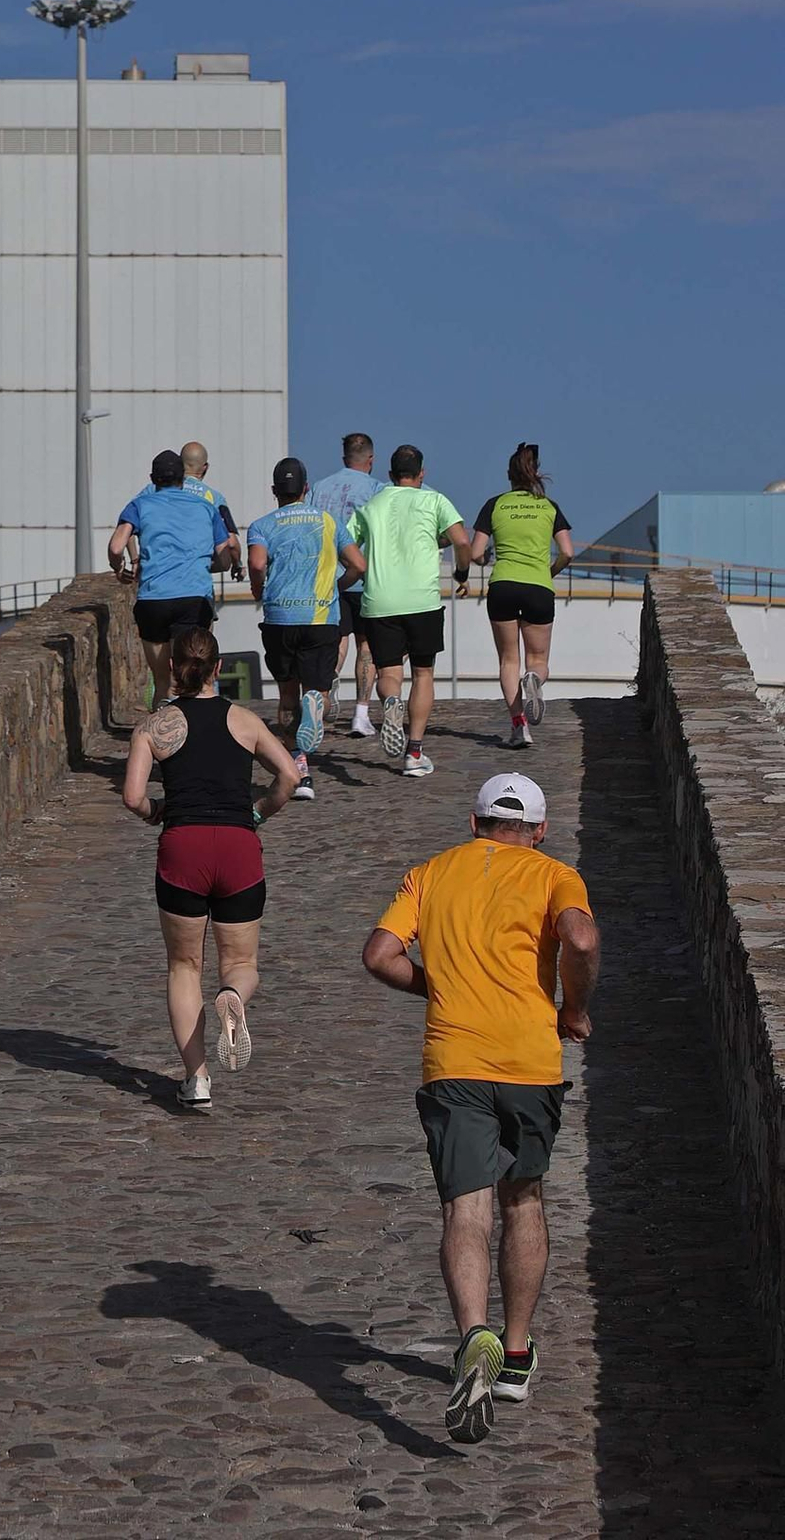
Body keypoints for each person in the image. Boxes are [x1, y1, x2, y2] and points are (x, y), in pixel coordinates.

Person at [362, 772, 600, 1443]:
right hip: (530, 1063)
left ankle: (474, 1336)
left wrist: (438, 991)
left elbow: (379, 955)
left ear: (474, 824)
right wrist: (573, 1010)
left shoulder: (430, 874)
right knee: (522, 1199)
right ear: (540, 830)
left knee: (465, 1209)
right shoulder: (556, 874)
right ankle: (516, 1355)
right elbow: (580, 942)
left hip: (454, 1064)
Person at [124, 624, 300, 1109]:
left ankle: (197, 1077)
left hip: (183, 847)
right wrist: (260, 810)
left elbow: (133, 796)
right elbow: (289, 775)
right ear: (218, 669)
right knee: (241, 965)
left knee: (184, 966)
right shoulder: (244, 721)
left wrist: (154, 812)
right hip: (239, 847)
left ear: (171, 670)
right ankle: (233, 997)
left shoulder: (153, 728)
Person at [339, 443, 470, 779]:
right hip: (422, 602)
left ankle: (390, 703)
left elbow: (347, 544)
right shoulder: (435, 500)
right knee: (424, 673)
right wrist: (462, 573)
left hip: (379, 601)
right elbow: (463, 542)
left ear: (389, 475)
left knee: (389, 675)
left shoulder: (372, 504)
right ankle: (414, 753)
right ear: (422, 473)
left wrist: (352, 574)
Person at [243, 455, 344, 801]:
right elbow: (357, 563)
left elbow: (257, 563)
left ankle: (300, 769)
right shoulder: (327, 520)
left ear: (275, 491)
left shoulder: (261, 525)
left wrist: (259, 588)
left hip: (280, 619)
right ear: (306, 489)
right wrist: (339, 586)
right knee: (320, 690)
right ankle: (316, 702)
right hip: (320, 618)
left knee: (287, 695)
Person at [470, 444, 575, 751]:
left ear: (508, 476)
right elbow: (567, 551)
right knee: (538, 660)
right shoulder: (549, 506)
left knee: (507, 659)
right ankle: (534, 679)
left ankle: (519, 727)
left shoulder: (494, 504)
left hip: (502, 585)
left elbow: (475, 552)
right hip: (538, 586)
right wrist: (550, 571)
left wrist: (484, 559)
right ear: (535, 473)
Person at [110, 450, 232, 706]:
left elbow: (116, 547)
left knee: (163, 680)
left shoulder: (140, 505)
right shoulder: (206, 506)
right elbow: (225, 554)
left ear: (152, 478)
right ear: (182, 478)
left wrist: (120, 569)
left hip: (153, 599)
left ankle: (161, 733)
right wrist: (209, 566)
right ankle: (192, 733)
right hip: (193, 598)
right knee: (190, 679)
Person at [309, 432, 383, 735]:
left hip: (329, 579)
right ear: (371, 460)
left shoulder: (318, 488)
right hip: (365, 579)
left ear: (343, 459)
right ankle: (361, 715)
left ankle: (327, 688)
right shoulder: (378, 489)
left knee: (336, 641)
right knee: (366, 646)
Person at [181, 440, 244, 581]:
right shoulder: (215, 498)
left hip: (161, 579)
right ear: (205, 467)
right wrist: (237, 564)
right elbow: (232, 542)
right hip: (197, 581)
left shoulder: (161, 492)